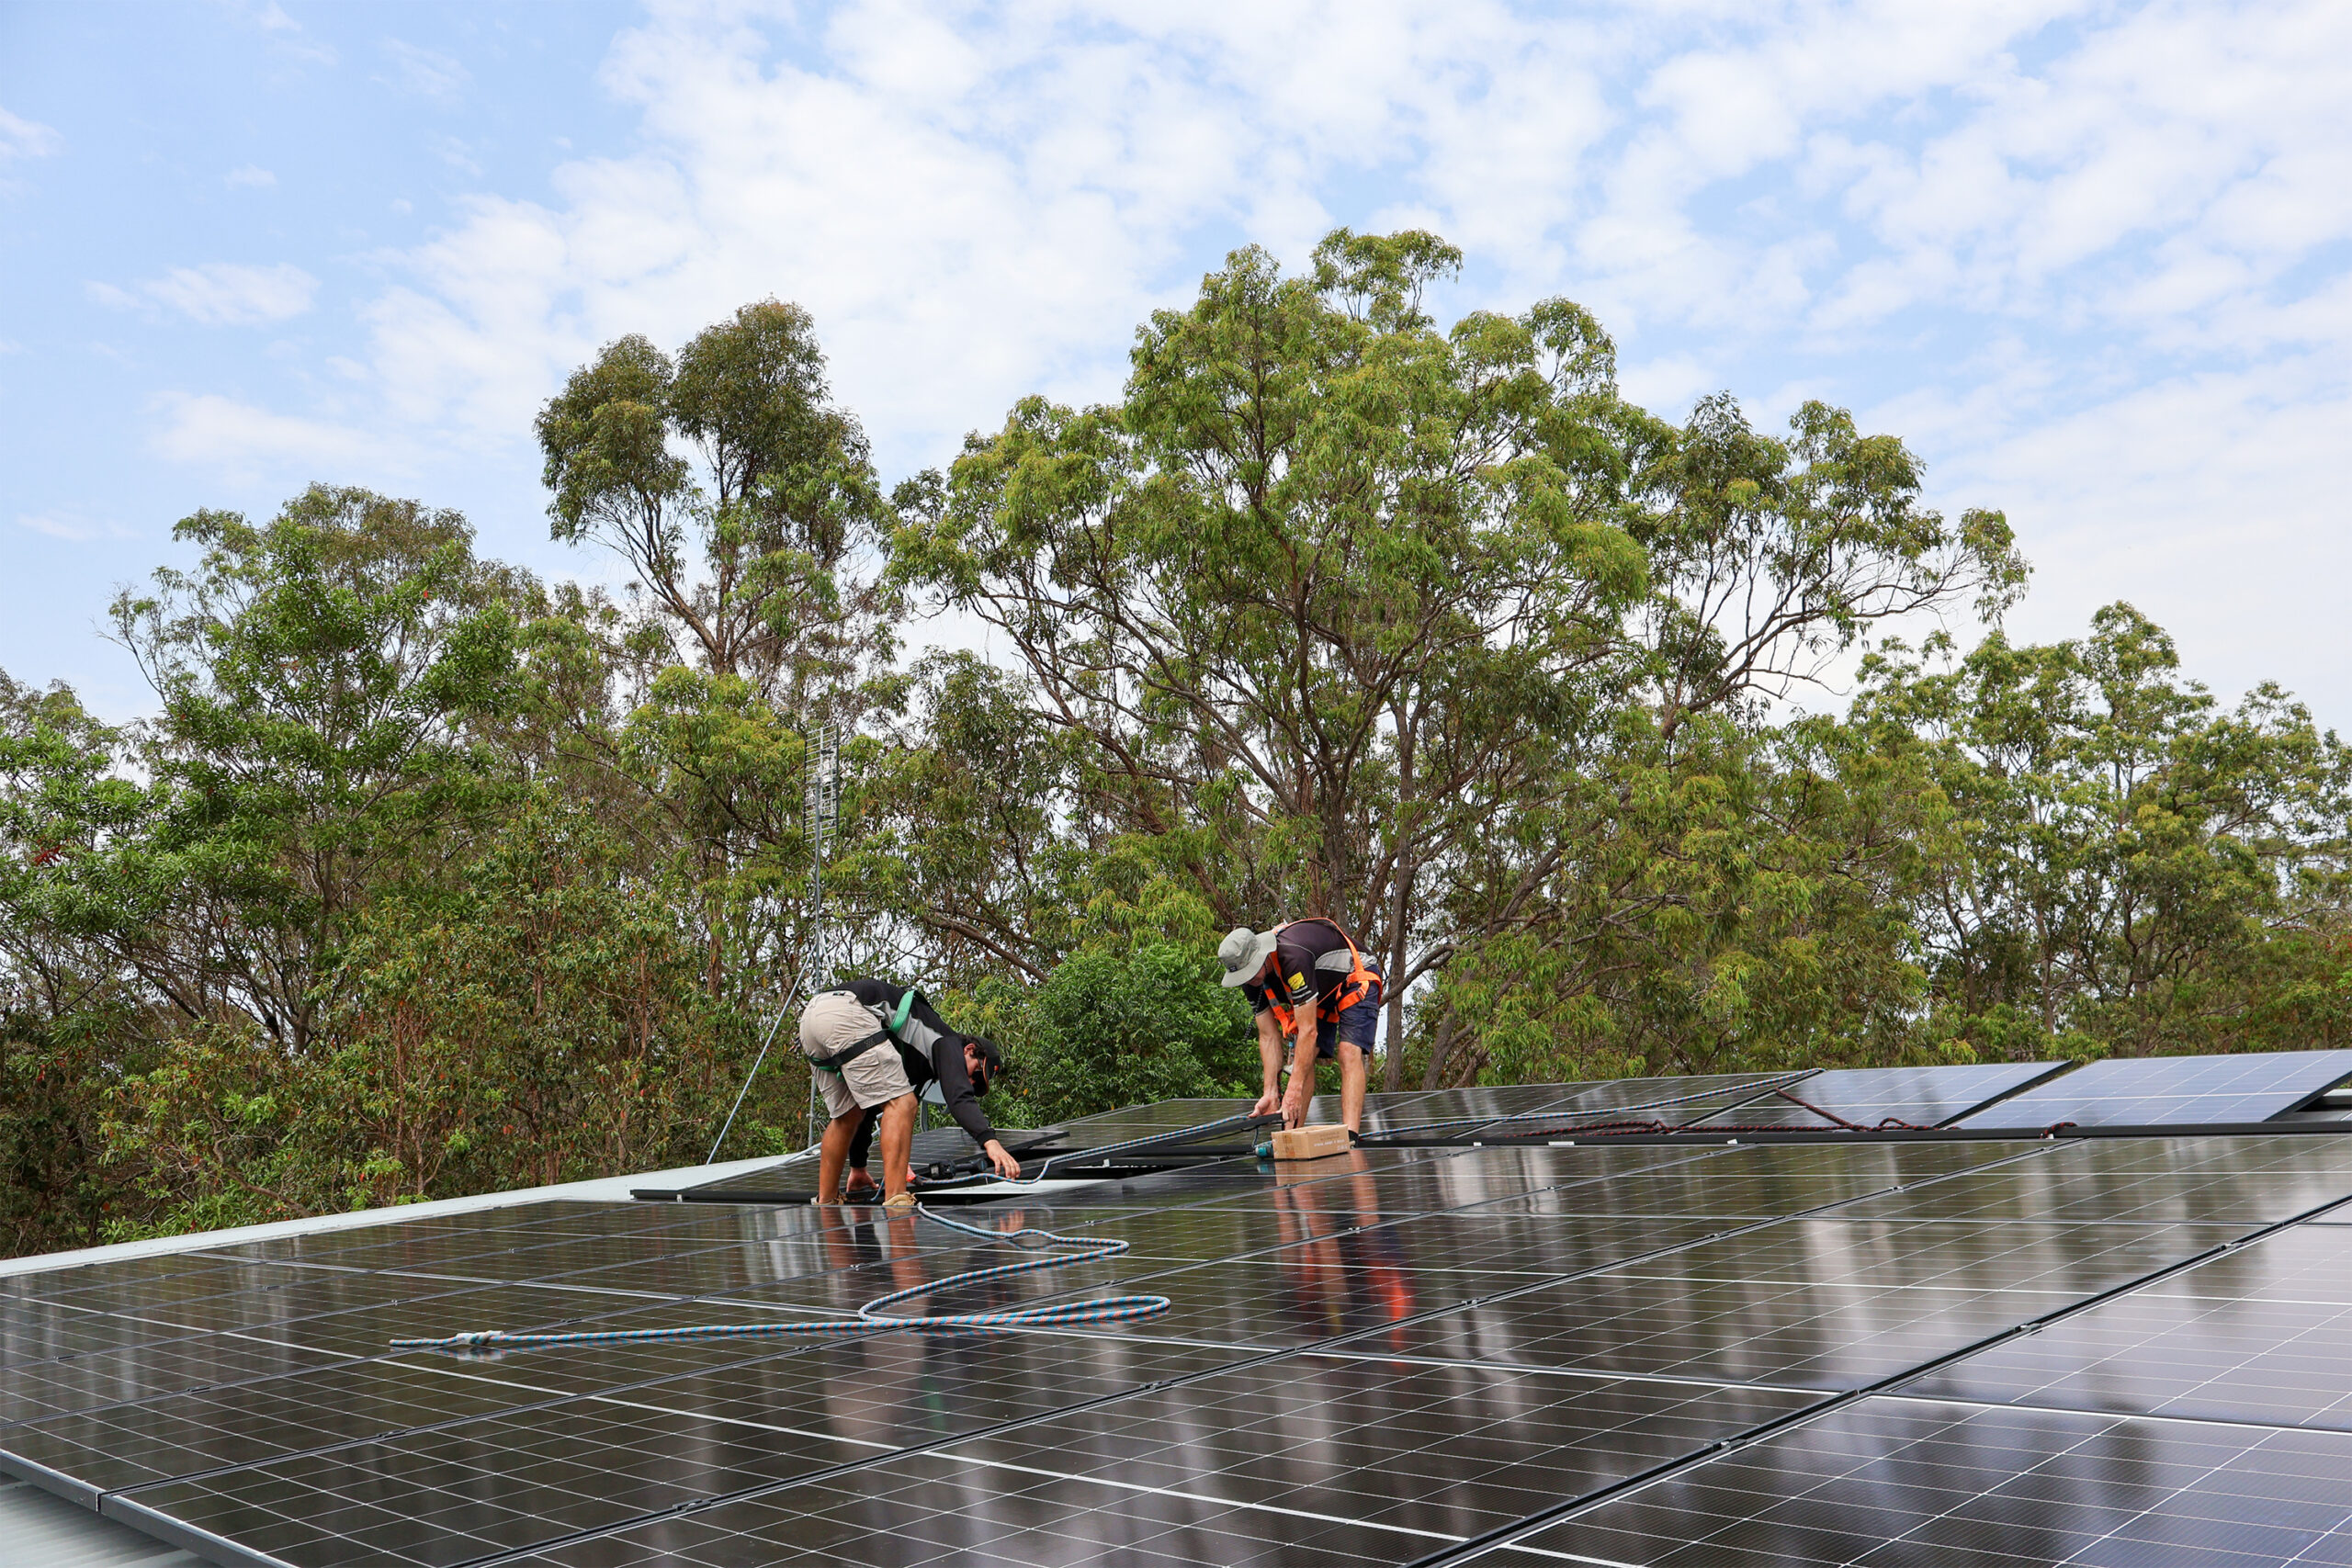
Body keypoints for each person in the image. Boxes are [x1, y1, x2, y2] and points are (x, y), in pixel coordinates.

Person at [798, 977, 1021, 1209]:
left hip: (811, 1020)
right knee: (904, 1103)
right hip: (848, 1011)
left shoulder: (915, 1064)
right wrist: (990, 1141)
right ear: (969, 1049)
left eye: (975, 1084)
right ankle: (897, 1200)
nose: (969, 1081)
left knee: (847, 1116)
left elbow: (865, 1110)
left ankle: (826, 1202)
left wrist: (858, 1167)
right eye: (975, 1073)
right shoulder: (948, 1041)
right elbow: (959, 1097)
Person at [1217, 918, 1385, 1139]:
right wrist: (1271, 1093)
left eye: (1249, 972)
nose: (1248, 979)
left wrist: (1293, 1091)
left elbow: (1309, 1032)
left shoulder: (1292, 958)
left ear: (1261, 956)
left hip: (1355, 975)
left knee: (1347, 1052)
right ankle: (1291, 1137)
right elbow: (1268, 1036)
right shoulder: (1251, 982)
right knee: (1301, 1062)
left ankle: (1351, 1136)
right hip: (1319, 990)